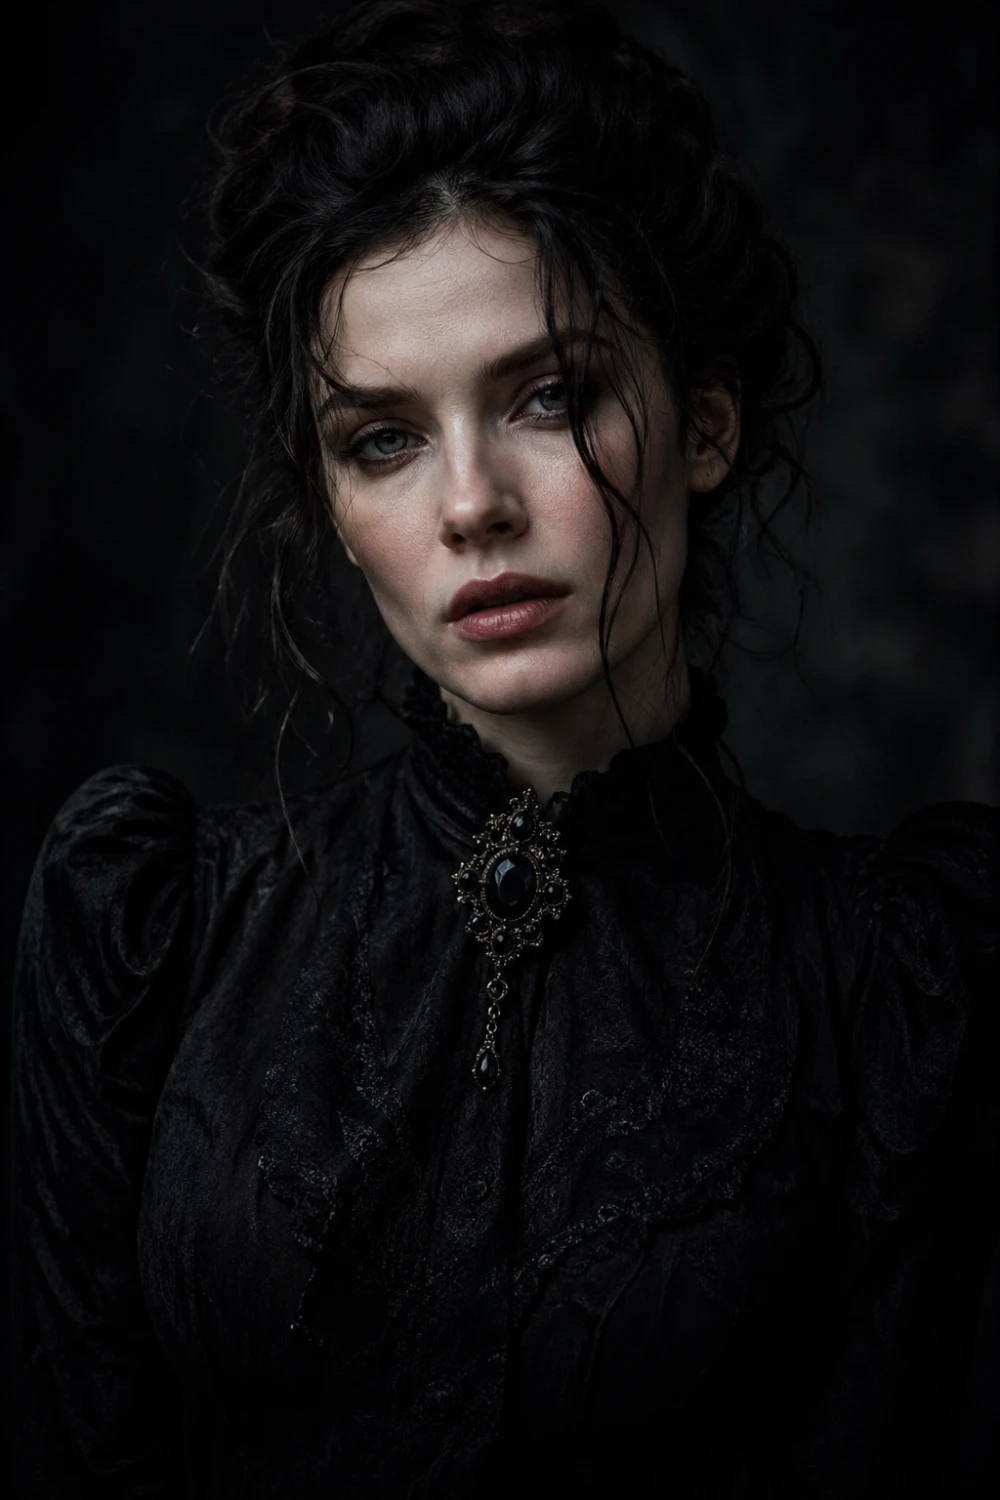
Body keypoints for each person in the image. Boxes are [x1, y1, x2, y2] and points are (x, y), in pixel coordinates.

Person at [9, 1, 998, 1495]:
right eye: (384, 438)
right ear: (336, 507)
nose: (471, 503)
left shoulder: (898, 986)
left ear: (706, 423)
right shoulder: (157, 933)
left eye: (549, 397)